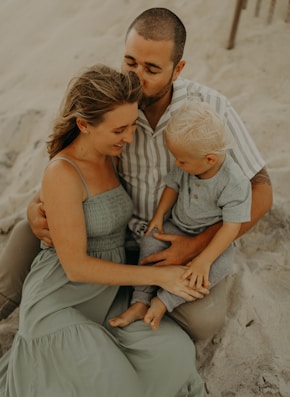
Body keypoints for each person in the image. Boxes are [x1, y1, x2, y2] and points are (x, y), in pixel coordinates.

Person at [0, 8, 272, 340]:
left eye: (152, 69)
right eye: (130, 62)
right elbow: (70, 163)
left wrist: (196, 245)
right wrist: (34, 205)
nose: (136, 77)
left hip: (177, 238)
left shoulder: (210, 109)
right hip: (109, 228)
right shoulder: (114, 105)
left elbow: (261, 189)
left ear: (178, 69)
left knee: (200, 323)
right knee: (26, 231)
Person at [0, 64, 207, 397]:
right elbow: (76, 267)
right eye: (120, 129)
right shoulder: (62, 171)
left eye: (132, 125)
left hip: (107, 297)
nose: (130, 137)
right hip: (61, 302)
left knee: (173, 356)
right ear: (84, 125)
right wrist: (161, 275)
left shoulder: (112, 153)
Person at [109, 101, 252, 330]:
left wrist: (203, 260)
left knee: (219, 267)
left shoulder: (234, 183)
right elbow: (172, 186)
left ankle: (164, 301)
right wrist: (158, 217)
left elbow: (231, 227)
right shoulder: (187, 162)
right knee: (151, 241)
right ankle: (140, 299)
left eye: (182, 161)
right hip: (177, 225)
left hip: (212, 240)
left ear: (210, 160)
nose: (176, 163)